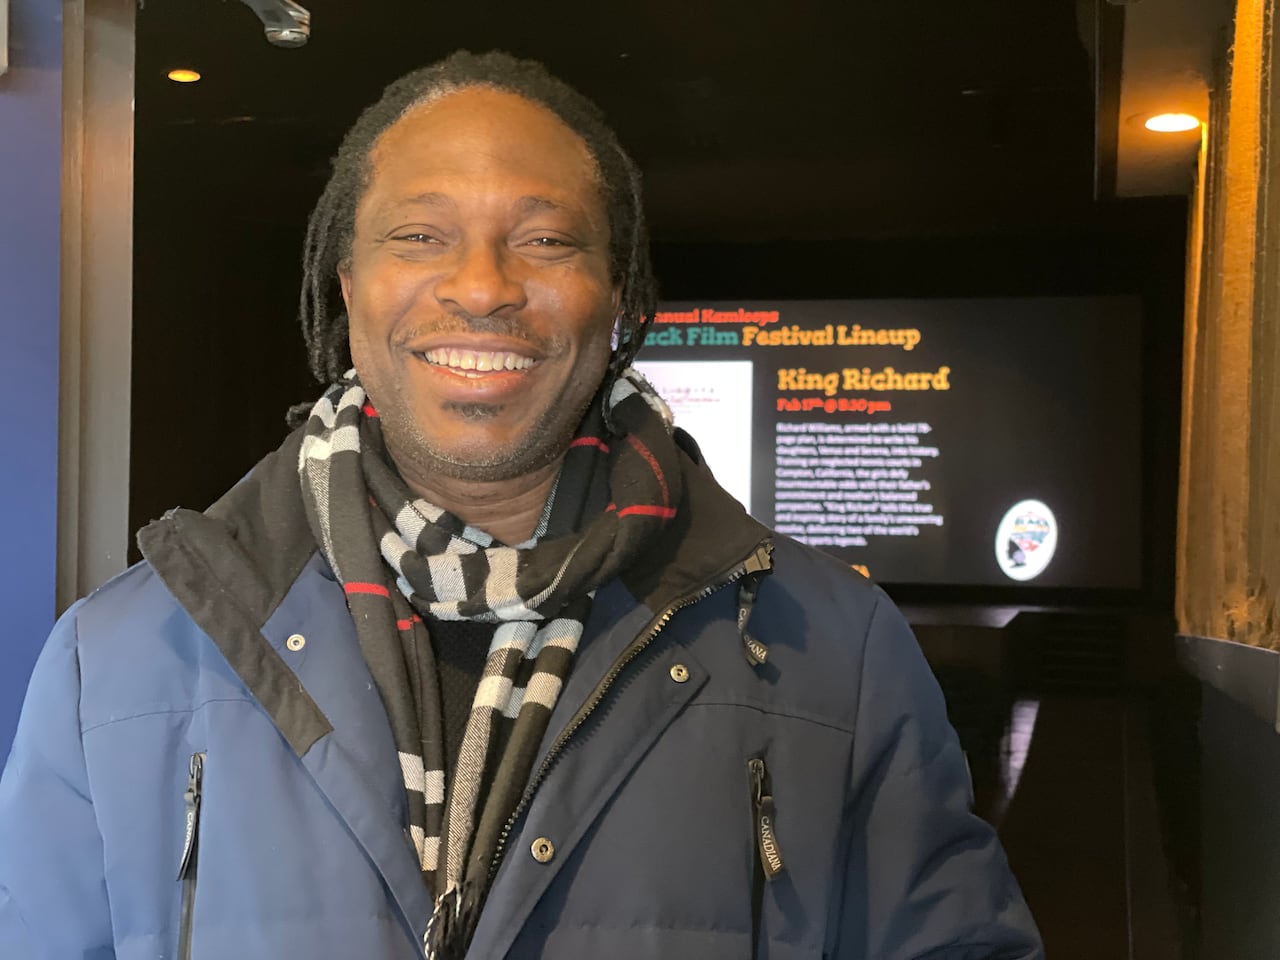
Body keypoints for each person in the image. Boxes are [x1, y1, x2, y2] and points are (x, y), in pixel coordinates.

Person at [0, 51, 1043, 959]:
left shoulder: (836, 653)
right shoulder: (119, 660)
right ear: (343, 285)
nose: (484, 286)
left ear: (619, 295)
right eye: (418, 235)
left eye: (545, 241)